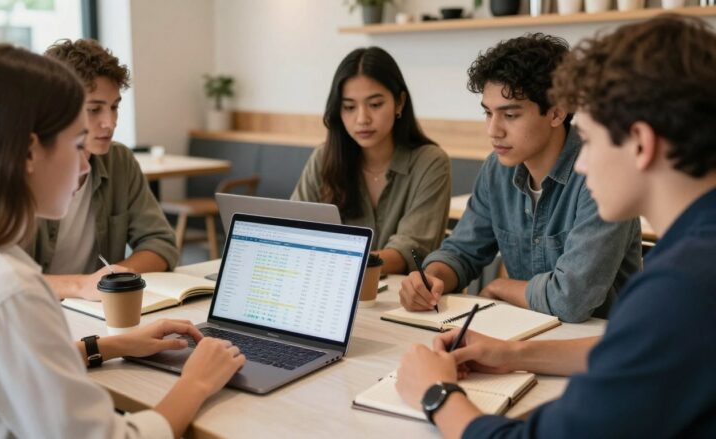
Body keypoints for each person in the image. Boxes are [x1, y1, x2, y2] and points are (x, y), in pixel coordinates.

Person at [395, 14, 716, 437]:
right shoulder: (693, 255)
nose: (581, 162)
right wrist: (511, 354)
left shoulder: (680, 287)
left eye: (592, 139)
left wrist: (436, 394)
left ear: (640, 143)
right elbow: (630, 348)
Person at [0, 44, 244, 438]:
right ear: (30, 152)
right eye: (76, 145)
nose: (86, 164)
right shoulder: (12, 293)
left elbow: (20, 367)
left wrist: (111, 346)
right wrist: (198, 381)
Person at [399, 33, 641, 322]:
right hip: (524, 333)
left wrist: (501, 287)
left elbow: (571, 299)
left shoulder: (601, 175)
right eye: (488, 113)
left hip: (601, 341)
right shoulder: (497, 168)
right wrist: (430, 278)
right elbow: (462, 251)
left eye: (510, 115)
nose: (493, 130)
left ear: (556, 113)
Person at [26, 38, 178, 300]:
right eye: (94, 109)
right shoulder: (20, 167)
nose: (110, 122)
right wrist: (81, 286)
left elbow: (161, 243)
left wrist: (111, 279)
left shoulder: (118, 160)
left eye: (114, 107)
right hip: (33, 310)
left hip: (96, 309)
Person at [292, 47, 451, 275]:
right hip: (328, 287)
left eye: (375, 105)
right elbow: (294, 228)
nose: (362, 119)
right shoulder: (323, 158)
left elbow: (412, 249)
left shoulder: (430, 162)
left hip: (399, 295)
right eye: (349, 107)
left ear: (399, 103)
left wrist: (339, 262)